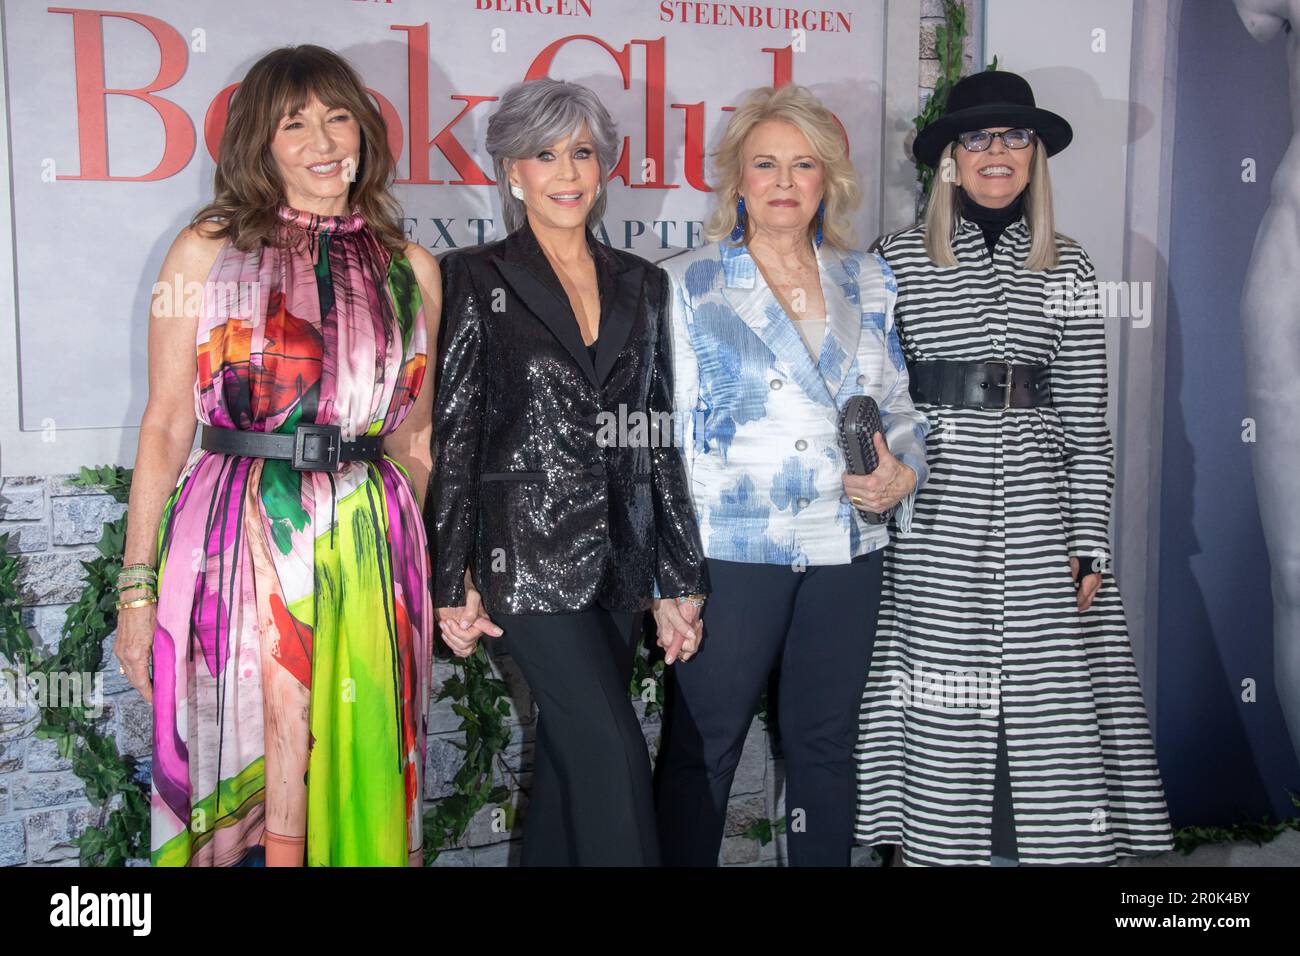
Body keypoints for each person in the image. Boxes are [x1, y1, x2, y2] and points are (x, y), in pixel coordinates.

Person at [112, 44, 440, 867]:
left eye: (337, 116)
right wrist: (136, 587)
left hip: (369, 549)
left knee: (354, 769)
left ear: (364, 129)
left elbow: (415, 440)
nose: (324, 139)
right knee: (245, 777)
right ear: (260, 144)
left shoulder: (413, 269)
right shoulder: (204, 250)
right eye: (294, 123)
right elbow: (163, 426)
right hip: (232, 541)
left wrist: (399, 554)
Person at [854, 70, 1175, 866]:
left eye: (1016, 137)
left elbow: (1088, 423)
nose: (998, 152)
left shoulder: (1069, 265)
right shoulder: (893, 258)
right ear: (950, 160)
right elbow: (866, 398)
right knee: (938, 692)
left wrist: (1090, 538)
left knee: (1047, 703)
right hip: (932, 512)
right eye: (978, 138)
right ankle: (929, 847)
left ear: (1035, 156)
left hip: (1038, 509)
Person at [426, 78, 709, 866]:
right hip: (522, 560)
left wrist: (677, 577)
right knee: (614, 756)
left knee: (567, 763)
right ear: (512, 171)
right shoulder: (474, 279)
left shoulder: (641, 282)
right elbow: (455, 435)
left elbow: (658, 436)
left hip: (618, 559)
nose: (567, 171)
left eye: (581, 152)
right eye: (544, 154)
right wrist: (452, 577)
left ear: (604, 164)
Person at [654, 84, 930, 867]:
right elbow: (662, 441)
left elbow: (899, 404)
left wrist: (901, 471)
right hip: (731, 553)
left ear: (828, 180)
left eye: (802, 165)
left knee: (826, 747)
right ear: (737, 179)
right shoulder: (689, 281)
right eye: (764, 164)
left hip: (848, 547)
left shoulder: (869, 281)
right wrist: (671, 577)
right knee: (703, 749)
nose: (783, 181)